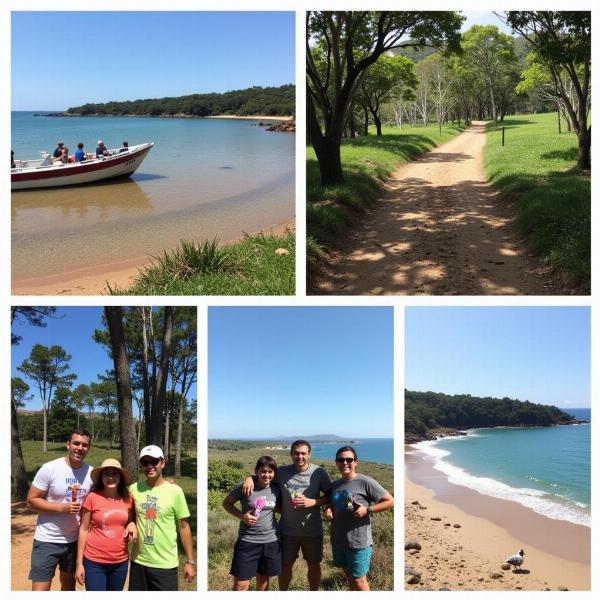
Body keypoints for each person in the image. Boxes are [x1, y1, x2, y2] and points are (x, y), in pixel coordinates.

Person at [242, 440, 330, 590]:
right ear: (291, 454)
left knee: (314, 565)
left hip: (312, 530)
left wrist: (313, 502)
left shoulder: (319, 473)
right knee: (285, 565)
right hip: (287, 530)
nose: (299, 456)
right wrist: (249, 478)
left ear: (309, 455)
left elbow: (330, 496)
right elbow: (264, 476)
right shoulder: (282, 472)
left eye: (303, 453)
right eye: (296, 453)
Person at [26, 428, 93, 591]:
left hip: (74, 541)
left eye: (84, 445)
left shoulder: (91, 473)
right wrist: (61, 507)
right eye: (76, 443)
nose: (80, 448)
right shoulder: (50, 468)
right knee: (40, 590)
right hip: (47, 539)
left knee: (69, 587)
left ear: (88, 448)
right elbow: (31, 501)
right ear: (68, 444)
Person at [324, 446, 394, 591]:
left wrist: (367, 510)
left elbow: (390, 501)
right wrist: (328, 510)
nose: (345, 463)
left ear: (356, 462)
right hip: (338, 540)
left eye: (349, 460)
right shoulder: (335, 485)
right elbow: (332, 504)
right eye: (341, 460)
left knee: (360, 581)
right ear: (336, 462)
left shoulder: (366, 482)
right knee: (349, 577)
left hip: (358, 542)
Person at [128, 445, 195, 590]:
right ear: (141, 465)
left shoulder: (175, 491)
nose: (150, 466)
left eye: (154, 461)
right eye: (145, 462)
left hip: (165, 565)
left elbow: (184, 527)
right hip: (138, 561)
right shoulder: (134, 489)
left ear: (162, 463)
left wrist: (190, 561)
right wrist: (131, 523)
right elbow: (125, 513)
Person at [75, 459, 135, 591]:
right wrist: (79, 563)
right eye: (106, 474)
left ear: (121, 478)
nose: (111, 477)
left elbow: (131, 520)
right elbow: (83, 529)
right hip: (94, 562)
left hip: (120, 562)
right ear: (101, 478)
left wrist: (131, 524)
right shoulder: (92, 497)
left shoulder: (128, 498)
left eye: (115, 473)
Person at [223, 456, 281, 591]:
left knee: (263, 583)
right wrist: (242, 517)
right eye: (263, 471)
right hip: (248, 541)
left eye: (270, 471)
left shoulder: (276, 489)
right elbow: (226, 503)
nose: (266, 475)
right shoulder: (246, 486)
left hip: (270, 541)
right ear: (256, 471)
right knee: (241, 585)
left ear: (274, 473)